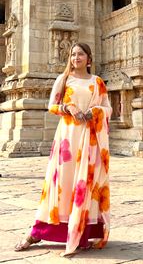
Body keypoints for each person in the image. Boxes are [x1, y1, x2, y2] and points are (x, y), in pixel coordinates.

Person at [14, 42, 112, 256]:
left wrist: (95, 111)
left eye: (80, 54)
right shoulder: (64, 79)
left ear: (89, 58)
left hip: (90, 139)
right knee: (61, 184)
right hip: (67, 140)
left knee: (85, 184)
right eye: (73, 54)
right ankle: (38, 232)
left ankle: (82, 232)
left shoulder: (97, 82)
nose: (76, 58)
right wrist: (67, 107)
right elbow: (51, 106)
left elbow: (107, 107)